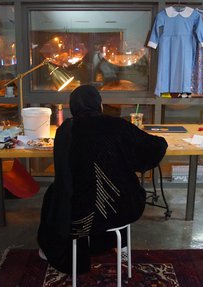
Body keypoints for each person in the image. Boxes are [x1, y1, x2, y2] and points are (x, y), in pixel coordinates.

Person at [37, 85, 168, 274]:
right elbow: (153, 148)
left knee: (53, 193)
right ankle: (118, 240)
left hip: (78, 214)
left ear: (73, 107)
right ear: (100, 105)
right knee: (121, 184)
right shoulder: (117, 125)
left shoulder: (65, 131)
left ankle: (60, 246)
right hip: (122, 209)